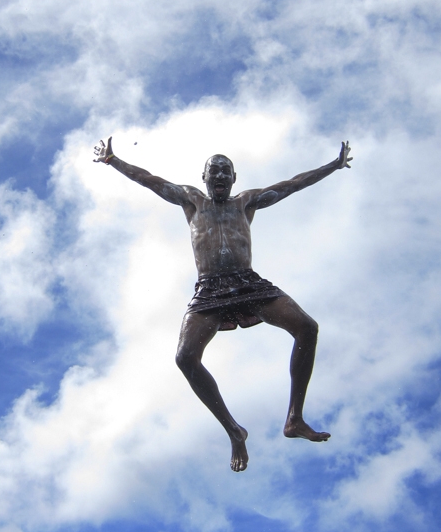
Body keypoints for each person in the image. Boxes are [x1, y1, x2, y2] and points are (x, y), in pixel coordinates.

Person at [93, 136, 353, 471]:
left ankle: (294, 419)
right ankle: (234, 430)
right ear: (203, 177)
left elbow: (292, 184)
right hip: (209, 291)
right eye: (213, 171)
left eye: (225, 171)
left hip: (248, 282)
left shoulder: (246, 202)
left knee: (307, 327)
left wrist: (333, 165)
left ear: (233, 179)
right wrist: (114, 160)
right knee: (185, 357)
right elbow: (150, 180)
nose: (219, 175)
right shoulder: (192, 200)